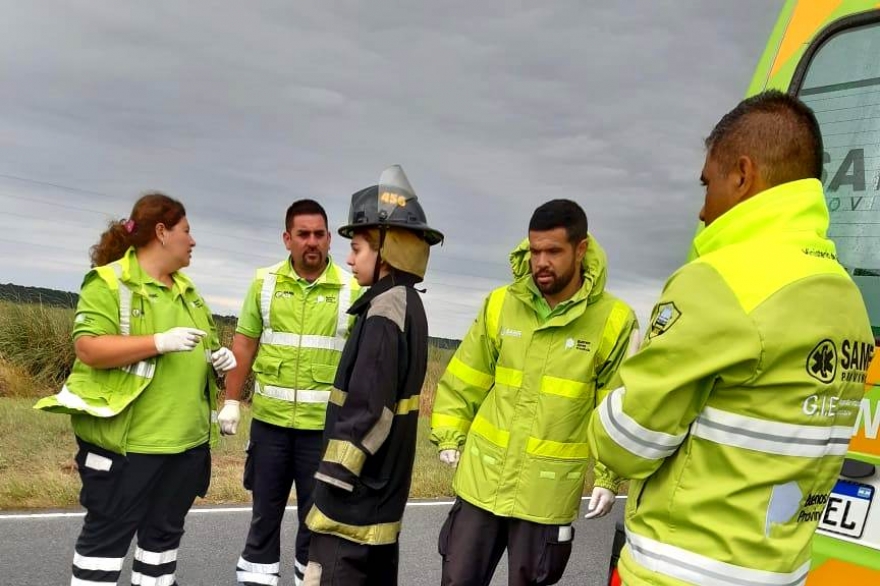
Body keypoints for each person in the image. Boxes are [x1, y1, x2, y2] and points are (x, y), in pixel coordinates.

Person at [587, 90, 874, 586]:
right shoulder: (848, 300)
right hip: (780, 573)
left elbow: (626, 445)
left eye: (707, 185)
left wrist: (623, 389)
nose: (702, 210)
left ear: (742, 175)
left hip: (678, 572)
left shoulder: (718, 281)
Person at [430, 199, 638, 586]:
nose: (541, 261)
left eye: (553, 251)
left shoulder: (613, 321)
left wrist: (609, 478)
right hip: (482, 481)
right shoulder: (501, 304)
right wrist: (449, 433)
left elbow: (615, 409)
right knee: (457, 579)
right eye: (535, 250)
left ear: (580, 250)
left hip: (547, 493)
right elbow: (464, 378)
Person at [35, 192, 236, 586]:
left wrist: (218, 363)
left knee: (162, 544)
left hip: (186, 446)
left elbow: (202, 351)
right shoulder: (109, 282)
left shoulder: (189, 292)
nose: (193, 241)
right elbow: (88, 347)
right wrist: (158, 341)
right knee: (105, 547)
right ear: (162, 232)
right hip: (127, 447)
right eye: (187, 231)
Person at [302, 165, 444, 585]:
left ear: (389, 250)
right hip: (380, 499)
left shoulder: (385, 310)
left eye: (359, 247)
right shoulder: (405, 303)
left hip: (353, 502)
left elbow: (370, 406)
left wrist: (335, 477)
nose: (348, 257)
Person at [218, 199, 360, 586]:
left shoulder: (351, 289)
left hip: (323, 431)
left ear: (330, 239)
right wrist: (231, 400)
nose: (311, 242)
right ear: (287, 238)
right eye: (303, 234)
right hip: (270, 427)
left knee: (314, 522)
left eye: (318, 234)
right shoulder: (265, 283)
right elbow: (244, 344)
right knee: (264, 516)